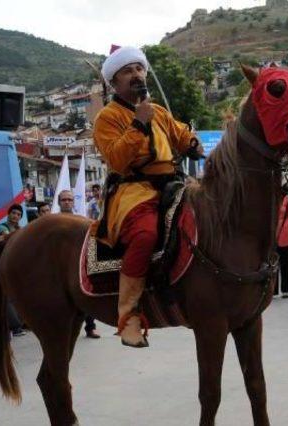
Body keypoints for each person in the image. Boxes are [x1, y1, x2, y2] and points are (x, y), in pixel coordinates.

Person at [93, 45, 202, 347]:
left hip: (173, 183)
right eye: (127, 71)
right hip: (133, 189)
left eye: (139, 69)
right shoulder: (108, 117)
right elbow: (116, 159)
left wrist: (191, 142)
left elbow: (180, 134)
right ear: (114, 82)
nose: (136, 75)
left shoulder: (160, 111)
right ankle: (128, 317)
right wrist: (139, 122)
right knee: (144, 235)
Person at [58, 189, 101, 338]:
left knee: (85, 295)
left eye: (70, 199)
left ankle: (90, 327)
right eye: (64, 200)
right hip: (59, 267)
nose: (67, 202)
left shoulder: (81, 220)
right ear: (59, 202)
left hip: (77, 265)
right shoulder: (53, 222)